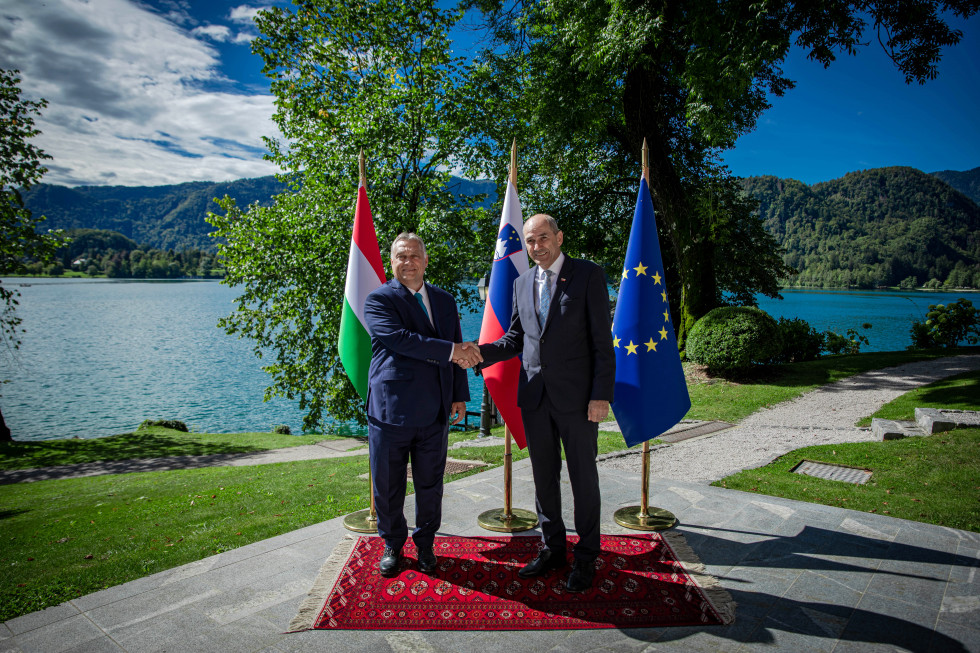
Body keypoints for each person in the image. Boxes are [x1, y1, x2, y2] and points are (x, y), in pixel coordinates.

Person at [477, 214, 615, 592]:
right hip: (535, 398)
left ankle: (586, 557)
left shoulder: (588, 275)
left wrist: (601, 395)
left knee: (583, 481)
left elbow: (603, 342)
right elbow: (515, 339)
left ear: (559, 237)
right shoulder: (522, 282)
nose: (537, 246)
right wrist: (479, 354)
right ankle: (552, 547)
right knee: (544, 479)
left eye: (543, 238)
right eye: (530, 240)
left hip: (578, 400)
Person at [364, 232, 482, 578]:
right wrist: (452, 351)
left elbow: (456, 344)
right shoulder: (378, 300)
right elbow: (403, 341)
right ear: (392, 262)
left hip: (435, 408)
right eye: (401, 256)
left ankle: (426, 543)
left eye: (415, 255)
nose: (408, 262)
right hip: (391, 410)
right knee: (388, 484)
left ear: (426, 260)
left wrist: (459, 393)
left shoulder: (445, 300)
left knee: (431, 483)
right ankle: (392, 544)